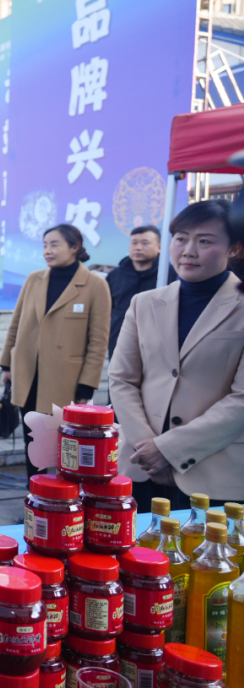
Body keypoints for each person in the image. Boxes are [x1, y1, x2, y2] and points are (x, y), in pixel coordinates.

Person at [111, 200, 244, 509]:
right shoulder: (144, 303)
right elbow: (122, 379)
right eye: (181, 238)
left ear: (234, 248)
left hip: (215, 472)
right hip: (140, 468)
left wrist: (169, 449)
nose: (188, 251)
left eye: (205, 241)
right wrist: (148, 448)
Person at [0, 224, 111, 478]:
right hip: (28, 374)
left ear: (74, 247)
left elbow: (98, 341)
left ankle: (64, 495)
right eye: (44, 245)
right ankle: (35, 491)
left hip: (66, 380)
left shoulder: (95, 285)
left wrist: (87, 386)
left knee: (66, 444)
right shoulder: (34, 279)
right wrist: (6, 364)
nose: (47, 251)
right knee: (33, 442)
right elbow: (16, 323)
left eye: (54, 244)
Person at [106, 225, 165, 360]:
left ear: (159, 247)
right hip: (119, 343)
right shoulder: (115, 275)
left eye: (145, 243)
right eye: (134, 243)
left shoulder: (168, 274)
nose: (138, 248)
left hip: (157, 346)